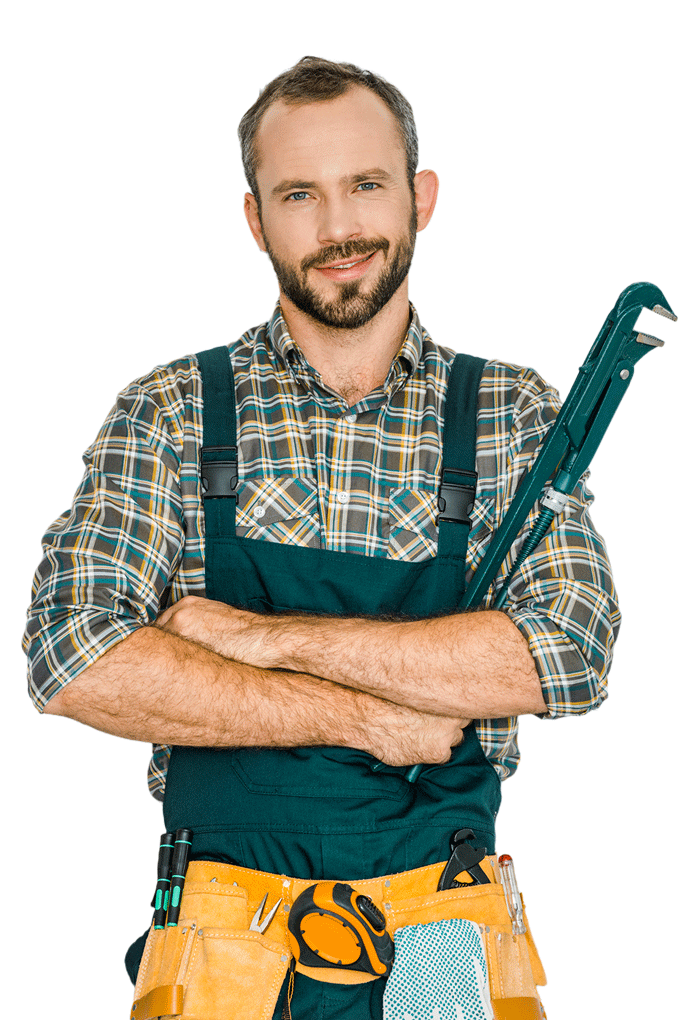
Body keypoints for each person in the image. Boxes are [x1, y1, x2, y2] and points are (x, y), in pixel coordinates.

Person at [23, 56, 619, 1019]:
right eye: (300, 193)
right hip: (224, 943)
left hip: (444, 938)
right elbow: (72, 653)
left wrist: (259, 638)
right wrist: (361, 718)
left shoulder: (511, 413)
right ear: (256, 218)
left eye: (366, 186)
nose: (338, 227)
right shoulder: (170, 414)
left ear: (420, 198)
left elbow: (567, 655)